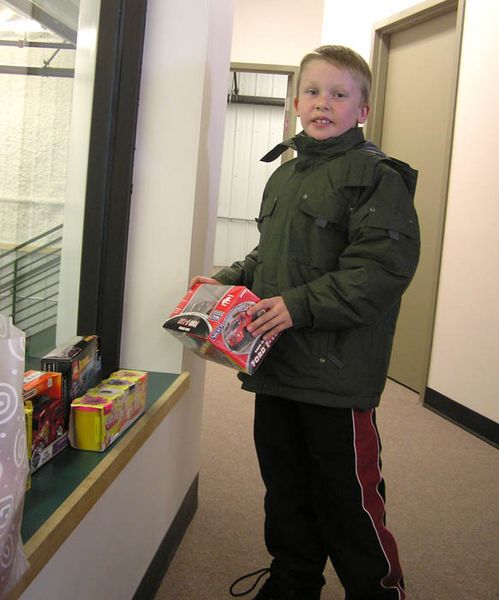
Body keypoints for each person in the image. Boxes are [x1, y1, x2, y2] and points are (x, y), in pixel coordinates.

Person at [191, 45, 420, 600]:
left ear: (362, 109)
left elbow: (380, 270)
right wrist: (225, 281)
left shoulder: (377, 177)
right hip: (276, 366)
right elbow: (272, 255)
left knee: (348, 497)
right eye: (313, 92)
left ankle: (377, 590)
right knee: (285, 489)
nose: (324, 104)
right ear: (296, 102)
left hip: (336, 378)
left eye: (340, 94)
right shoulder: (286, 175)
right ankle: (293, 582)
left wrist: (298, 305)